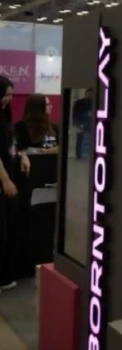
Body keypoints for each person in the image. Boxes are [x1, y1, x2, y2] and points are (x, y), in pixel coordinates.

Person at [0, 76, 30, 292]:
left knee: (9, 231)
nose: (9, 98)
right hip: (3, 181)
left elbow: (11, 144)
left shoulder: (5, 116)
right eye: (6, 94)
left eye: (11, 94)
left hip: (9, 180)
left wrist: (22, 155)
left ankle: (4, 277)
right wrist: (4, 180)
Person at [71, 89, 93, 159]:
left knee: (92, 139)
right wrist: (75, 122)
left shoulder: (94, 102)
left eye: (92, 94)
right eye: (89, 93)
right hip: (81, 122)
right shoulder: (79, 102)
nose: (90, 95)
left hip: (91, 122)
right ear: (86, 93)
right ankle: (78, 154)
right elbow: (75, 113)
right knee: (80, 138)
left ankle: (91, 153)